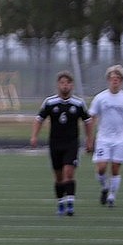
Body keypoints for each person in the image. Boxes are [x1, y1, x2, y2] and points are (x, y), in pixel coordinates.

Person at [30, 71, 93, 216]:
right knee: (58, 177)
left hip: (71, 144)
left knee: (68, 173)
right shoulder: (50, 102)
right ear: (58, 85)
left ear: (72, 85)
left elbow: (88, 121)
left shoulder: (78, 103)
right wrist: (34, 136)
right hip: (55, 144)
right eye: (62, 83)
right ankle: (60, 203)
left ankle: (70, 203)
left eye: (68, 83)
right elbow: (39, 119)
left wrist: (89, 140)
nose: (65, 86)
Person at [88, 65, 123, 208]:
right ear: (108, 80)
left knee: (116, 168)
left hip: (121, 139)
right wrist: (89, 138)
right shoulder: (100, 98)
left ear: (121, 81)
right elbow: (92, 117)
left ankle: (112, 196)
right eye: (112, 78)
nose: (114, 81)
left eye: (118, 79)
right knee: (101, 167)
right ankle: (104, 187)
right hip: (104, 138)